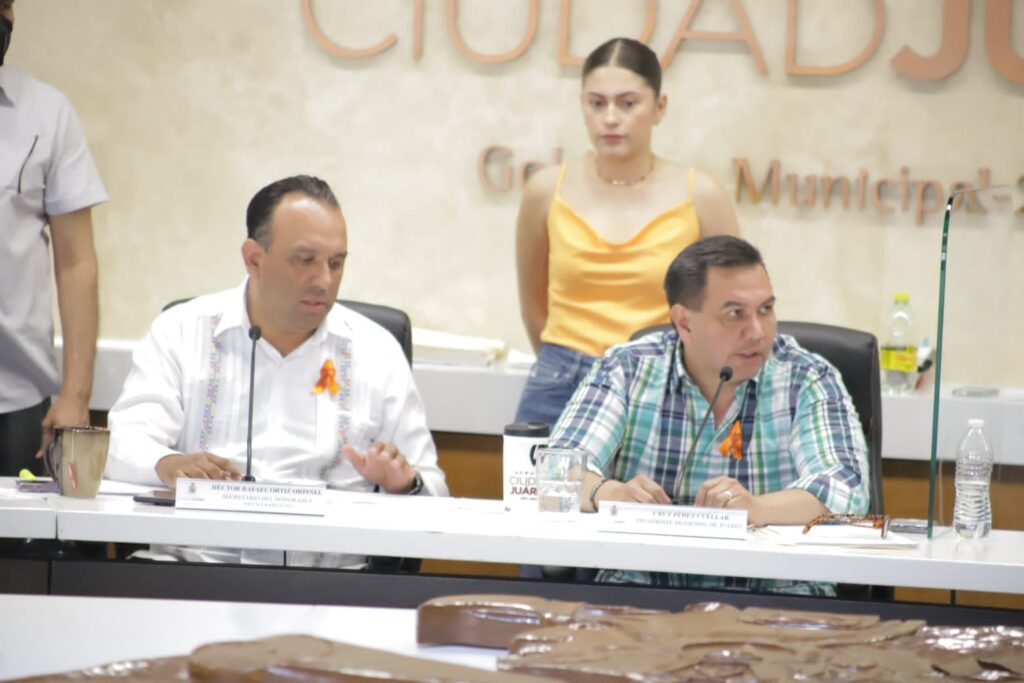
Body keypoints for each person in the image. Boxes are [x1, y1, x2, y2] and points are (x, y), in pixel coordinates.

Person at [105, 175, 448, 567]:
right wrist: (168, 464)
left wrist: (405, 484)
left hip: (335, 585)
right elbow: (122, 443)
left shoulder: (376, 351)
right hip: (191, 572)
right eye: (305, 260)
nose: (324, 281)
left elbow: (435, 493)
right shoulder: (182, 331)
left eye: (336, 263)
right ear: (254, 258)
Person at [550, 235, 870, 595]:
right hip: (642, 599)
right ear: (684, 323)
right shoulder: (627, 369)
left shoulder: (806, 376)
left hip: (776, 599)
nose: (757, 331)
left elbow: (847, 489)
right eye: (735, 314)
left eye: (765, 309)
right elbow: (556, 468)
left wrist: (757, 508)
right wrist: (610, 493)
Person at [514, 37, 740, 428]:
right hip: (560, 380)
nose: (610, 118)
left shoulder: (701, 196)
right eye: (596, 103)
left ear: (659, 107)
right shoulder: (545, 190)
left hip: (661, 380)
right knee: (534, 471)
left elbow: (733, 308)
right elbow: (534, 306)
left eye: (628, 103)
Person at [0, 0, 105, 476]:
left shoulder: (46, 113)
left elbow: (76, 263)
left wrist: (76, 394)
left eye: (6, 6)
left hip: (17, 400)